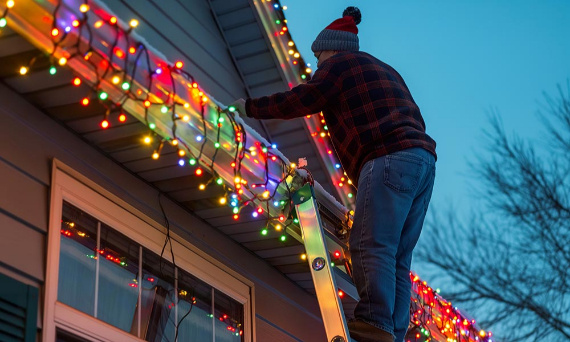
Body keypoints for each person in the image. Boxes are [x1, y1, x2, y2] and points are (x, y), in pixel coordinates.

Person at [230, 7, 436, 342]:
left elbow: (303, 98)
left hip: (386, 156)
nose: (315, 64)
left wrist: (250, 108)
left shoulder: (339, 66)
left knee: (370, 243)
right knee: (398, 256)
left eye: (318, 55)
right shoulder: (383, 71)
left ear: (331, 49)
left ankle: (376, 322)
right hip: (422, 163)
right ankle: (392, 333)